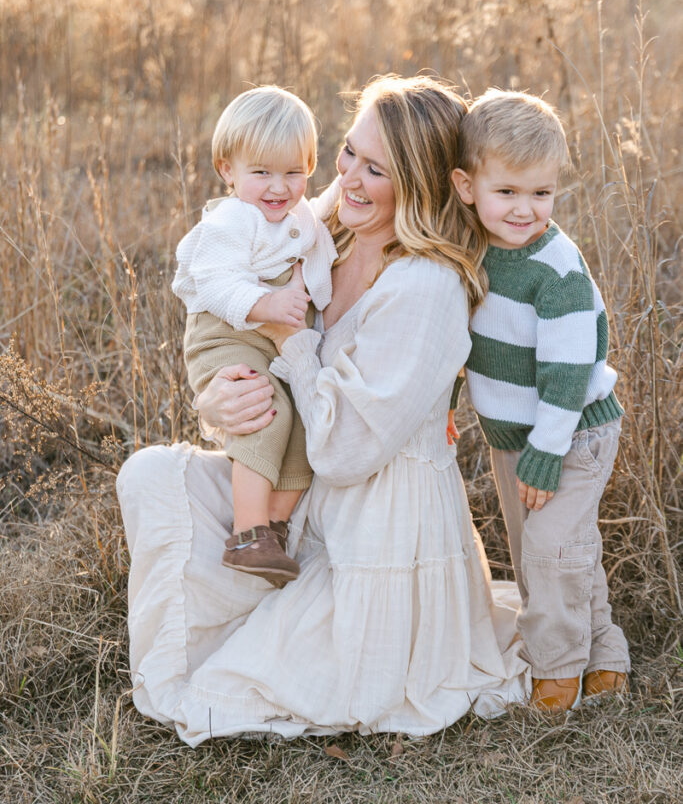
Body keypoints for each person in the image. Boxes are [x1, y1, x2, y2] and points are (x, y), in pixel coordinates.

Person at [116, 75, 530, 747]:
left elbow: (343, 453)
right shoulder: (327, 226)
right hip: (298, 493)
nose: (350, 179)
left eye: (377, 170)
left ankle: (287, 608)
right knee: (151, 476)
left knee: (237, 684)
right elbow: (221, 301)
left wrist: (291, 340)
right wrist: (216, 401)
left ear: (420, 185)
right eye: (348, 153)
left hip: (376, 525)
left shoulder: (424, 288)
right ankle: (259, 574)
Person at [451, 88, 630, 713]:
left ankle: (556, 672)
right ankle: (605, 654)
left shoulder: (557, 271)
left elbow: (569, 373)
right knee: (561, 550)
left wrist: (548, 451)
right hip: (515, 440)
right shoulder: (473, 250)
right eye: (507, 191)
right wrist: (449, 402)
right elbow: (457, 337)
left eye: (541, 192)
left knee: (550, 553)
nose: (525, 209)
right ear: (466, 186)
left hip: (571, 434)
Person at [171, 86, 337, 587]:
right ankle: (247, 534)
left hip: (269, 339)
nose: (278, 187)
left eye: (293, 172)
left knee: (303, 427)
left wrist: (311, 292)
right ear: (227, 170)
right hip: (225, 335)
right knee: (265, 409)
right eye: (261, 172)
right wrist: (269, 304)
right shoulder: (232, 219)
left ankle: (274, 529)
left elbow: (325, 230)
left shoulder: (302, 216)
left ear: (310, 167)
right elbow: (216, 284)